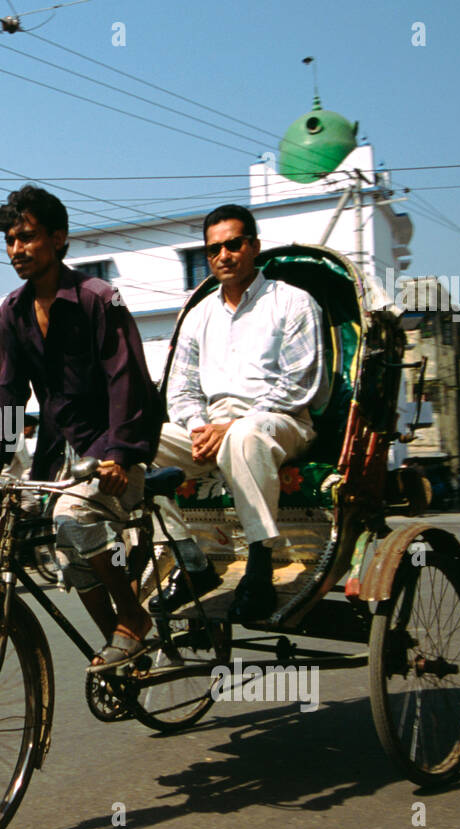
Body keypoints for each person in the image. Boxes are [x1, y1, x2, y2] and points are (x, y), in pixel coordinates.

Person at [0, 185, 165, 672]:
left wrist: (121, 456)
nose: (16, 250)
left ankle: (133, 620)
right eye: (9, 240)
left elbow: (127, 380)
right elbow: (7, 390)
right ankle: (125, 648)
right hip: (58, 452)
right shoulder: (12, 311)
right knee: (64, 553)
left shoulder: (99, 299)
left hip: (115, 447)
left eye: (26, 237)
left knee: (74, 518)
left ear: (58, 238)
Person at [156, 204, 328, 623]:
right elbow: (181, 389)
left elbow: (301, 385)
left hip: (281, 423)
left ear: (254, 246)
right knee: (137, 444)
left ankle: (258, 564)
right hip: (212, 429)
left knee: (246, 434)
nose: (222, 256)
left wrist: (230, 427)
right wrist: (199, 429)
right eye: (213, 249)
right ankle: (191, 561)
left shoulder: (292, 303)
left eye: (233, 245)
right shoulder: (198, 316)